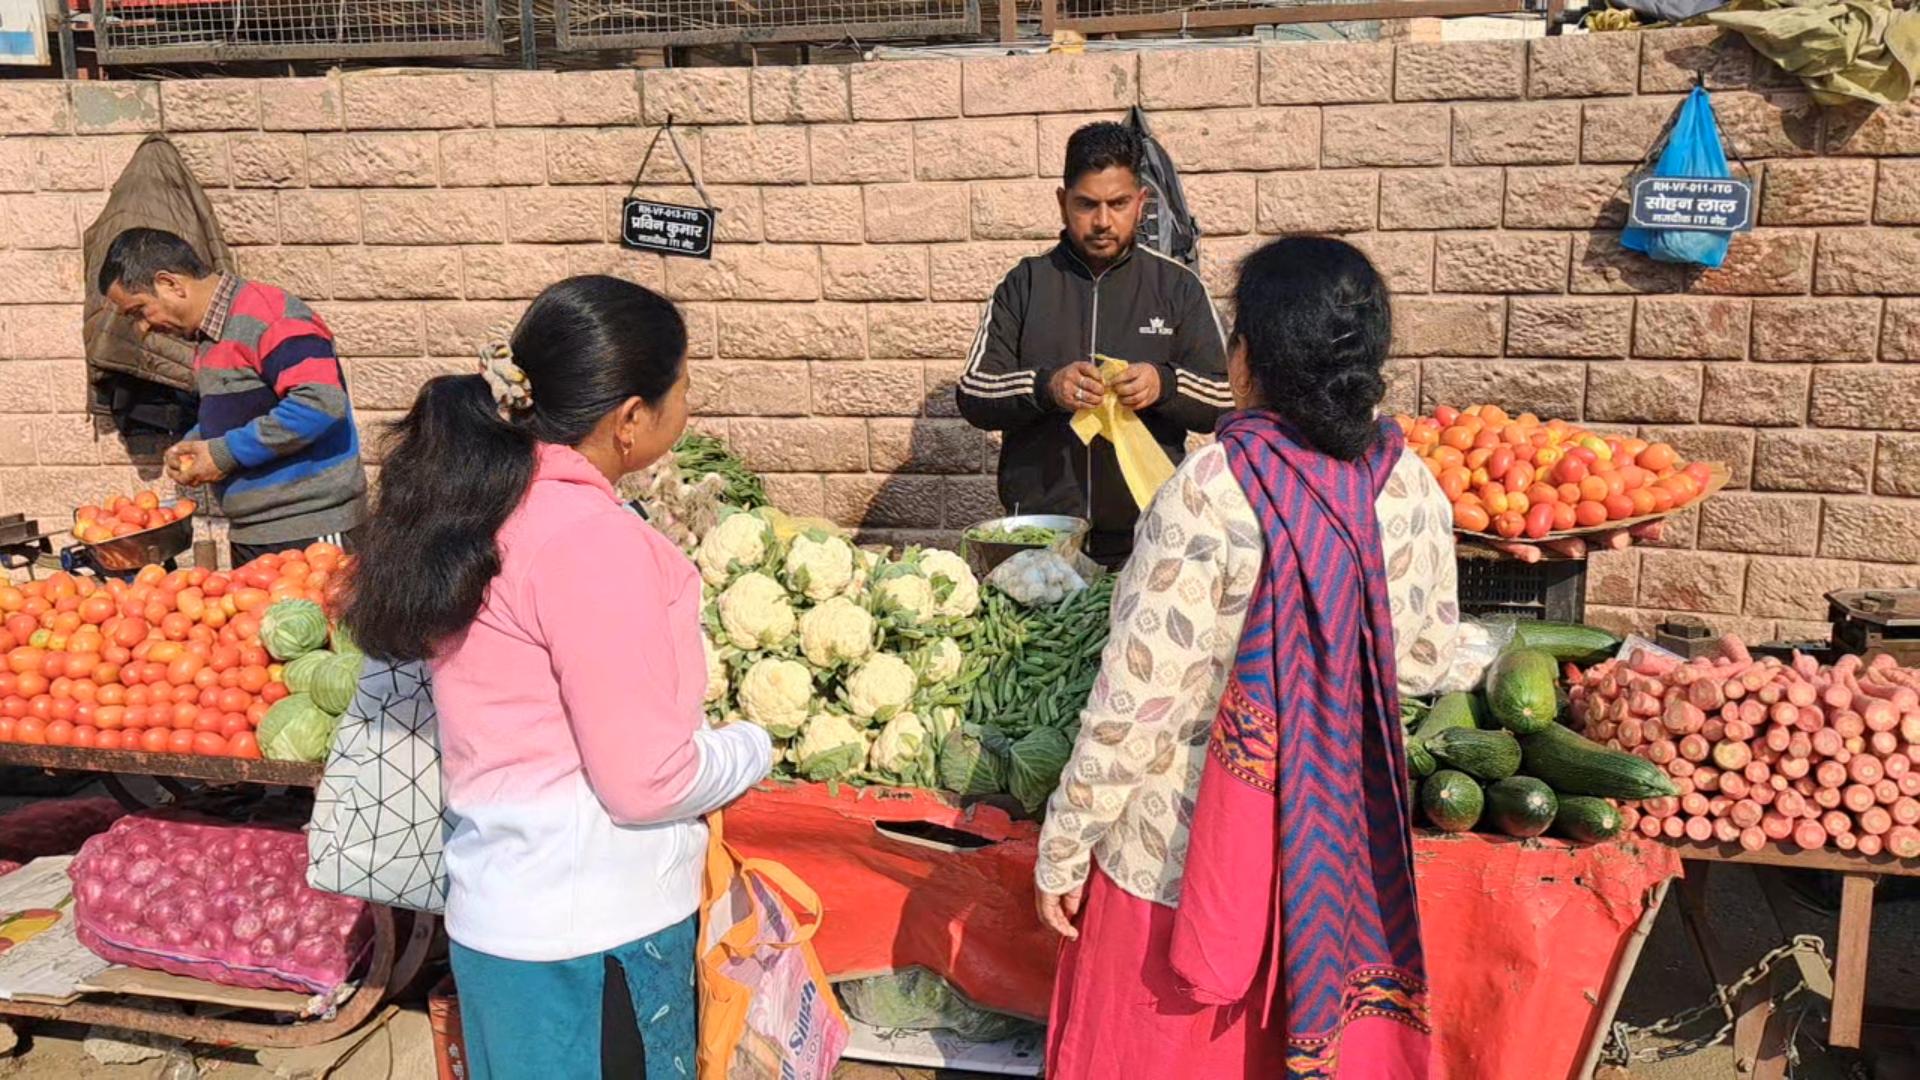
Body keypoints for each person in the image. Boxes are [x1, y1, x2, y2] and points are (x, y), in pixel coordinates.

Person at [1034, 237, 1447, 1079]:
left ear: (1248, 356)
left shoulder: (1212, 489)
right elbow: (1425, 662)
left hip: (1181, 860)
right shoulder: (1407, 486)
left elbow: (1137, 700)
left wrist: (1065, 844)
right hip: (1332, 858)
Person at [340, 276, 773, 1080]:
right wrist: (750, 749)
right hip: (592, 939)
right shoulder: (588, 541)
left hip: (500, 920)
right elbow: (646, 782)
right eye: (682, 391)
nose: (688, 410)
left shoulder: (480, 503)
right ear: (631, 418)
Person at [955, 121, 1230, 567]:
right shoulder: (1025, 284)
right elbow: (973, 392)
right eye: (1086, 205)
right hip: (1041, 541)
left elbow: (1230, 398)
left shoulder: (1178, 287)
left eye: (1118, 203)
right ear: (1062, 203)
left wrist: (1165, 385)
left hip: (1149, 537)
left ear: (1141, 203)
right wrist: (1046, 388)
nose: (1103, 221)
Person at [98, 227, 367, 567]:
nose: (143, 327)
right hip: (254, 533)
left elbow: (319, 403)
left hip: (311, 532)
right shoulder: (211, 338)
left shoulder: (270, 316)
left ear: (170, 284)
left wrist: (222, 453)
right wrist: (196, 444)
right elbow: (244, 412)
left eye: (139, 310)